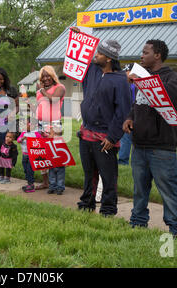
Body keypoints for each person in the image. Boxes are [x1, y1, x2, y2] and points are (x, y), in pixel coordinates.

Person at [123, 39, 177, 238]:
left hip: (162, 147)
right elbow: (137, 105)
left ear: (157, 55)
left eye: (145, 52)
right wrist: (130, 118)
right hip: (139, 145)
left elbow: (170, 100)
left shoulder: (173, 78)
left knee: (169, 192)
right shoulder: (142, 78)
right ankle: (138, 223)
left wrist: (143, 82)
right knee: (139, 190)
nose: (141, 55)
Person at [74, 28, 132, 216]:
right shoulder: (91, 70)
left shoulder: (120, 80)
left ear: (108, 58)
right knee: (89, 173)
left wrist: (113, 136)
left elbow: (122, 110)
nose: (95, 55)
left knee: (108, 175)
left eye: (99, 53)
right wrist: (78, 36)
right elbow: (79, 55)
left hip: (105, 136)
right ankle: (87, 203)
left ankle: (108, 208)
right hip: (86, 132)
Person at [35, 65, 66, 191]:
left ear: (53, 76)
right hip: (41, 123)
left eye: (48, 75)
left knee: (56, 154)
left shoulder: (60, 87)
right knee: (44, 154)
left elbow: (54, 100)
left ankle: (59, 185)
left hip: (54, 124)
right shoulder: (39, 91)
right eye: (43, 76)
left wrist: (42, 91)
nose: (46, 78)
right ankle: (48, 183)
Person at [17, 119, 42, 193]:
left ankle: (31, 185)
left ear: (32, 125)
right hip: (24, 155)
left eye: (26, 124)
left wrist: (31, 139)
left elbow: (40, 141)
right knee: (25, 170)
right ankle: (29, 183)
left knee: (29, 170)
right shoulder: (24, 133)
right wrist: (22, 138)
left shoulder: (36, 133)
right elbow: (18, 140)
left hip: (32, 155)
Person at [118, 77, 136, 165]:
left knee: (126, 138)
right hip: (133, 114)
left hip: (130, 115)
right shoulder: (133, 85)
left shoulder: (131, 86)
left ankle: (123, 161)